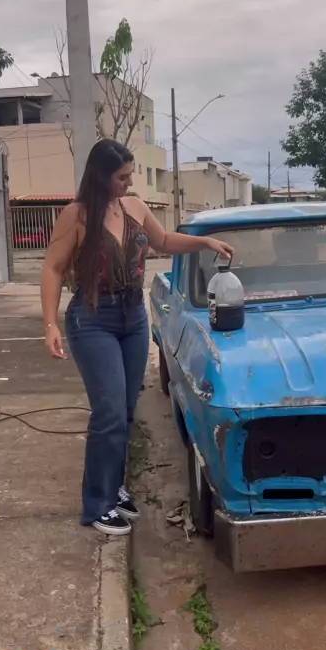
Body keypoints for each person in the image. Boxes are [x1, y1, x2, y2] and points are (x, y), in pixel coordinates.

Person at [40, 139, 233, 536]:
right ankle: (98, 505)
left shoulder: (134, 207)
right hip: (93, 319)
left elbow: (163, 242)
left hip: (133, 318)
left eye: (130, 175)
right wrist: (50, 323)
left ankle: (114, 487)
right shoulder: (76, 215)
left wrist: (204, 242)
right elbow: (53, 268)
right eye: (122, 177)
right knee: (108, 413)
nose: (129, 183)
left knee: (126, 411)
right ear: (101, 176)